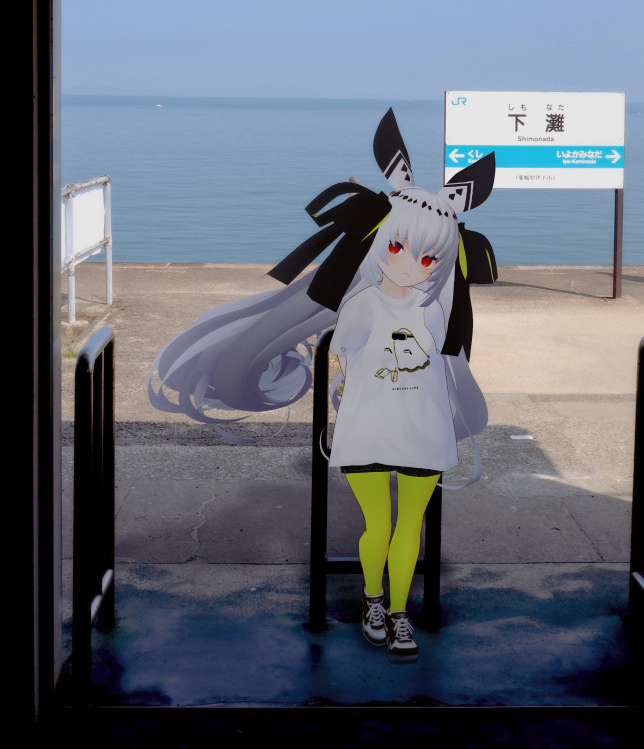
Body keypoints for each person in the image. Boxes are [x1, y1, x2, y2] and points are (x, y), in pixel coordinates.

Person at [148, 108, 496, 663]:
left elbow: (445, 357)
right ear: (379, 243)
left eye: (429, 255)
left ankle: (397, 610)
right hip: (368, 424)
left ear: (442, 260)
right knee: (379, 524)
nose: (414, 262)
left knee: (408, 527)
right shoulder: (358, 307)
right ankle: (374, 599)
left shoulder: (440, 316)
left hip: (421, 427)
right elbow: (342, 347)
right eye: (400, 246)